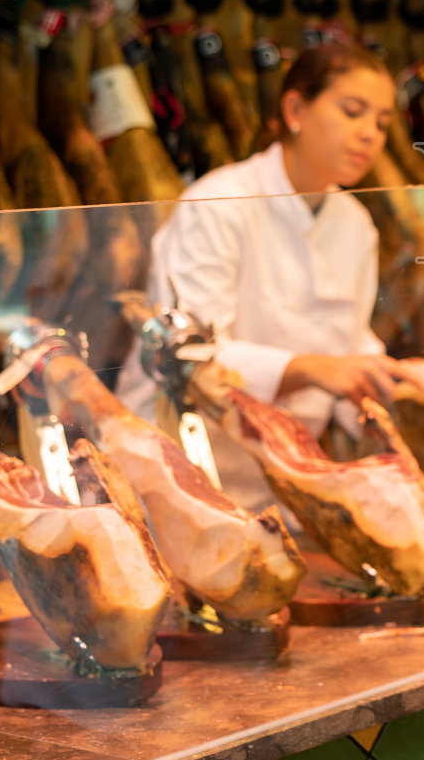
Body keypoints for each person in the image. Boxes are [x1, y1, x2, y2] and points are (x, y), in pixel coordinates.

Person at [117, 42, 407, 512]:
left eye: (382, 122)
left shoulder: (356, 225)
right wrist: (318, 369)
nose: (369, 134)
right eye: (353, 112)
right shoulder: (220, 204)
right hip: (174, 470)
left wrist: (397, 387)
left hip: (280, 483)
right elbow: (191, 355)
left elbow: (351, 345)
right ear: (295, 109)